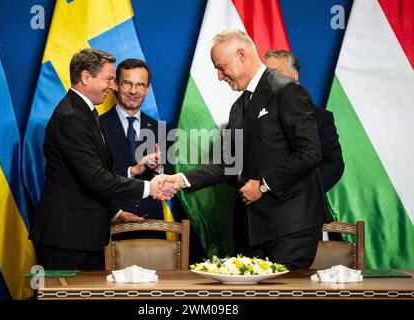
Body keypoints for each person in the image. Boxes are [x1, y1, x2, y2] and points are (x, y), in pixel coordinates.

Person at [168, 30, 330, 269]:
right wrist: (179, 180)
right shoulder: (237, 107)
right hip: (253, 227)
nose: (220, 77)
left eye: (221, 67)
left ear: (241, 55)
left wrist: (263, 185)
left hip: (291, 226)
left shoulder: (287, 91)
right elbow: (227, 164)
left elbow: (310, 153)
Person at [29, 48, 176, 270]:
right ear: (86, 77)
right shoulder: (72, 117)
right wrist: (148, 187)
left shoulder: (84, 113)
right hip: (68, 237)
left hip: (84, 235)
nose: (112, 85)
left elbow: (89, 177)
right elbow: (95, 177)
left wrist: (115, 212)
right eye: (109, 79)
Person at [264, 50, 344, 240]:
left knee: (300, 270)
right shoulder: (250, 114)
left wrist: (301, 192)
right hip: (260, 214)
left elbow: (334, 164)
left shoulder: (321, 117)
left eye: (275, 72)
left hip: (303, 216)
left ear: (294, 76)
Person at [100, 58, 172, 221]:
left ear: (147, 89)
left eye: (140, 85)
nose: (133, 91)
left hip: (152, 222)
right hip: (111, 221)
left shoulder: (159, 128)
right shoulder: (98, 125)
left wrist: (157, 168)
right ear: (116, 85)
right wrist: (132, 171)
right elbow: (93, 177)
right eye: (127, 83)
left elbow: (170, 175)